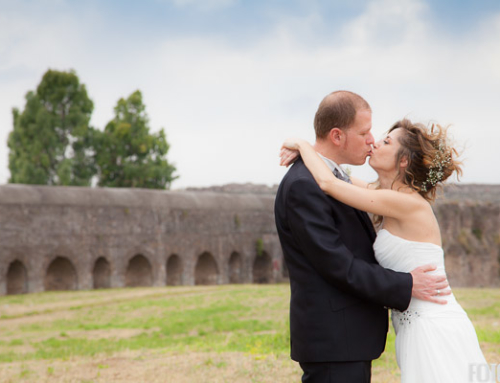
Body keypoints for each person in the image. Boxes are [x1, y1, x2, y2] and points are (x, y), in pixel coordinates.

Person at [280, 117, 489, 382]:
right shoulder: (385, 195)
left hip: (432, 323)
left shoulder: (405, 202)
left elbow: (329, 184)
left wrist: (302, 144)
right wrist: (314, 152)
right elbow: (337, 175)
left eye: (386, 141)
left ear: (403, 161)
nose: (375, 143)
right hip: (413, 323)